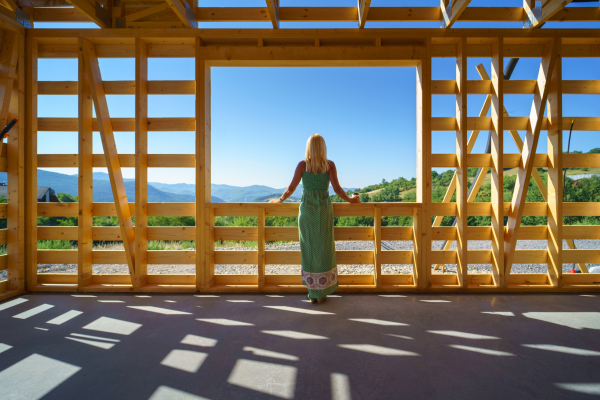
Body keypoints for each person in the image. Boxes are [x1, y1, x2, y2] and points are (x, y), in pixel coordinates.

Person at [270, 134, 360, 304]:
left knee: (309, 249)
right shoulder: (329, 165)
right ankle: (323, 291)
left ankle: (313, 292)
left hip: (307, 212)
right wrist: (351, 200)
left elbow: (291, 187)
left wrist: (280, 200)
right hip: (324, 211)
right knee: (325, 249)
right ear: (323, 147)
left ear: (309, 147)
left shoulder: (302, 165)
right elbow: (338, 189)